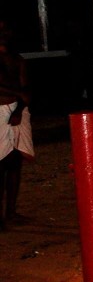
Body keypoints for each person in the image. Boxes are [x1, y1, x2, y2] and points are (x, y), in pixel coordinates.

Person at [0, 22, 33, 230]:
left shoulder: (17, 59)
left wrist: (19, 109)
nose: (3, 34)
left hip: (15, 112)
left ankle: (10, 212)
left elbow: (26, 88)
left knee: (14, 164)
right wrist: (19, 94)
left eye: (6, 29)